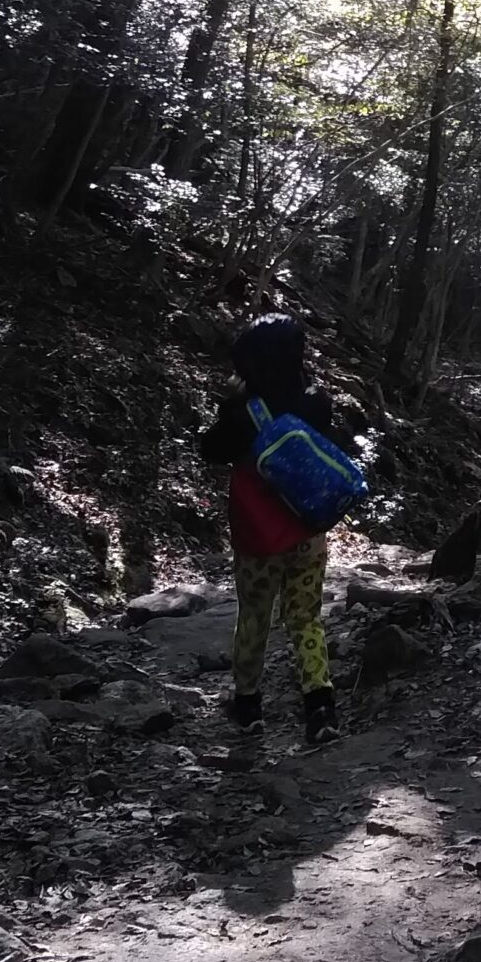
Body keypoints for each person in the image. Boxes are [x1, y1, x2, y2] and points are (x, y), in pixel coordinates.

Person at [198, 312, 342, 746]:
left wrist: (228, 404)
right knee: (306, 621)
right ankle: (320, 708)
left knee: (254, 620)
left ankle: (249, 709)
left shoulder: (243, 413)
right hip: (308, 532)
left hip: (257, 538)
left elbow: (210, 449)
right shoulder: (316, 403)